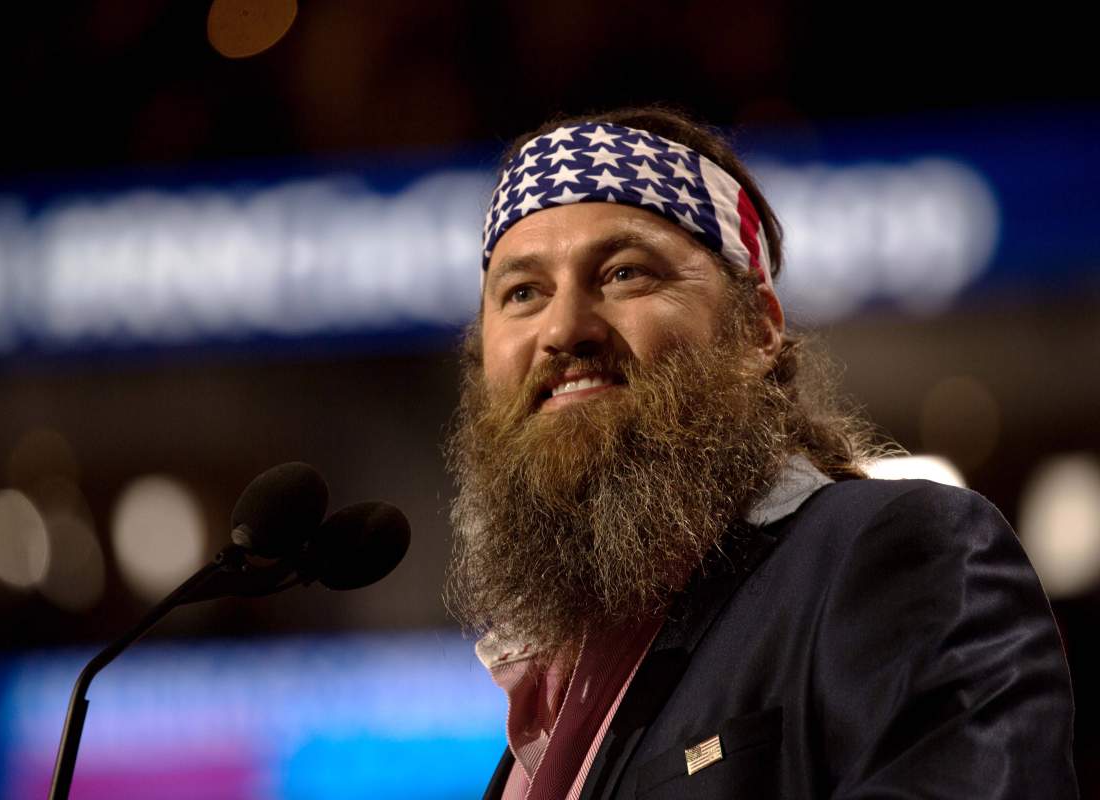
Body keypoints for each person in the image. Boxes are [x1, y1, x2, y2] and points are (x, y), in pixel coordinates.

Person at [443, 106, 1077, 799]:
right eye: (523, 292)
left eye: (625, 273)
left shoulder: (894, 551)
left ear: (757, 329)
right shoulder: (542, 713)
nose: (564, 327)